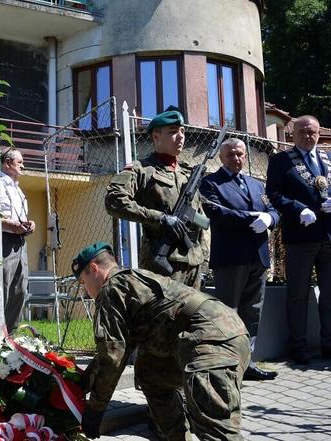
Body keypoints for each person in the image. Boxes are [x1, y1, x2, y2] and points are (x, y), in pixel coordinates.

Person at [74, 242, 249, 440]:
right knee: (149, 371)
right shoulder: (134, 279)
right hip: (228, 330)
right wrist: (78, 384)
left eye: (83, 282)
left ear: (94, 269)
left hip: (211, 343)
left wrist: (95, 410)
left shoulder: (111, 289)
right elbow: (116, 352)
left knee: (216, 432)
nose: (86, 291)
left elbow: (111, 359)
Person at [200, 138, 279, 381]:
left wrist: (270, 220)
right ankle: (226, 365)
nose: (236, 158)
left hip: (258, 256)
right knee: (228, 313)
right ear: (221, 157)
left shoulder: (256, 185)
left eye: (240, 154)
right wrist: (251, 218)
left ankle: (247, 363)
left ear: (245, 156)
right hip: (231, 259)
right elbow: (216, 212)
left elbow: (273, 209)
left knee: (253, 312)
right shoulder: (211, 183)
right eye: (231, 154)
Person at [105, 107, 206, 288]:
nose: (181, 136)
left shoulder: (188, 173)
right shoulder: (141, 170)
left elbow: (200, 218)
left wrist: (203, 256)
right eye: (173, 132)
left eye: (182, 131)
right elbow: (114, 201)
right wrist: (161, 218)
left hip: (194, 263)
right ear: (156, 136)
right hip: (162, 264)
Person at [265, 115, 331, 365]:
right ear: (292, 133)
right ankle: (298, 347)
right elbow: (273, 193)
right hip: (300, 237)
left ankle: (328, 343)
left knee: (330, 295)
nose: (308, 135)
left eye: (312, 131)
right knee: (298, 294)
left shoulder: (328, 158)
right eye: (303, 131)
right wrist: (297, 209)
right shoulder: (281, 161)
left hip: (328, 236)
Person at [0, 148, 35, 332]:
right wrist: (8, 224)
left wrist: (29, 224)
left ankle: (10, 334)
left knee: (20, 288)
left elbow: (20, 215)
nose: (23, 165)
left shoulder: (18, 188)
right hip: (4, 240)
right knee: (4, 286)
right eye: (19, 162)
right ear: (7, 163)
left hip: (20, 241)